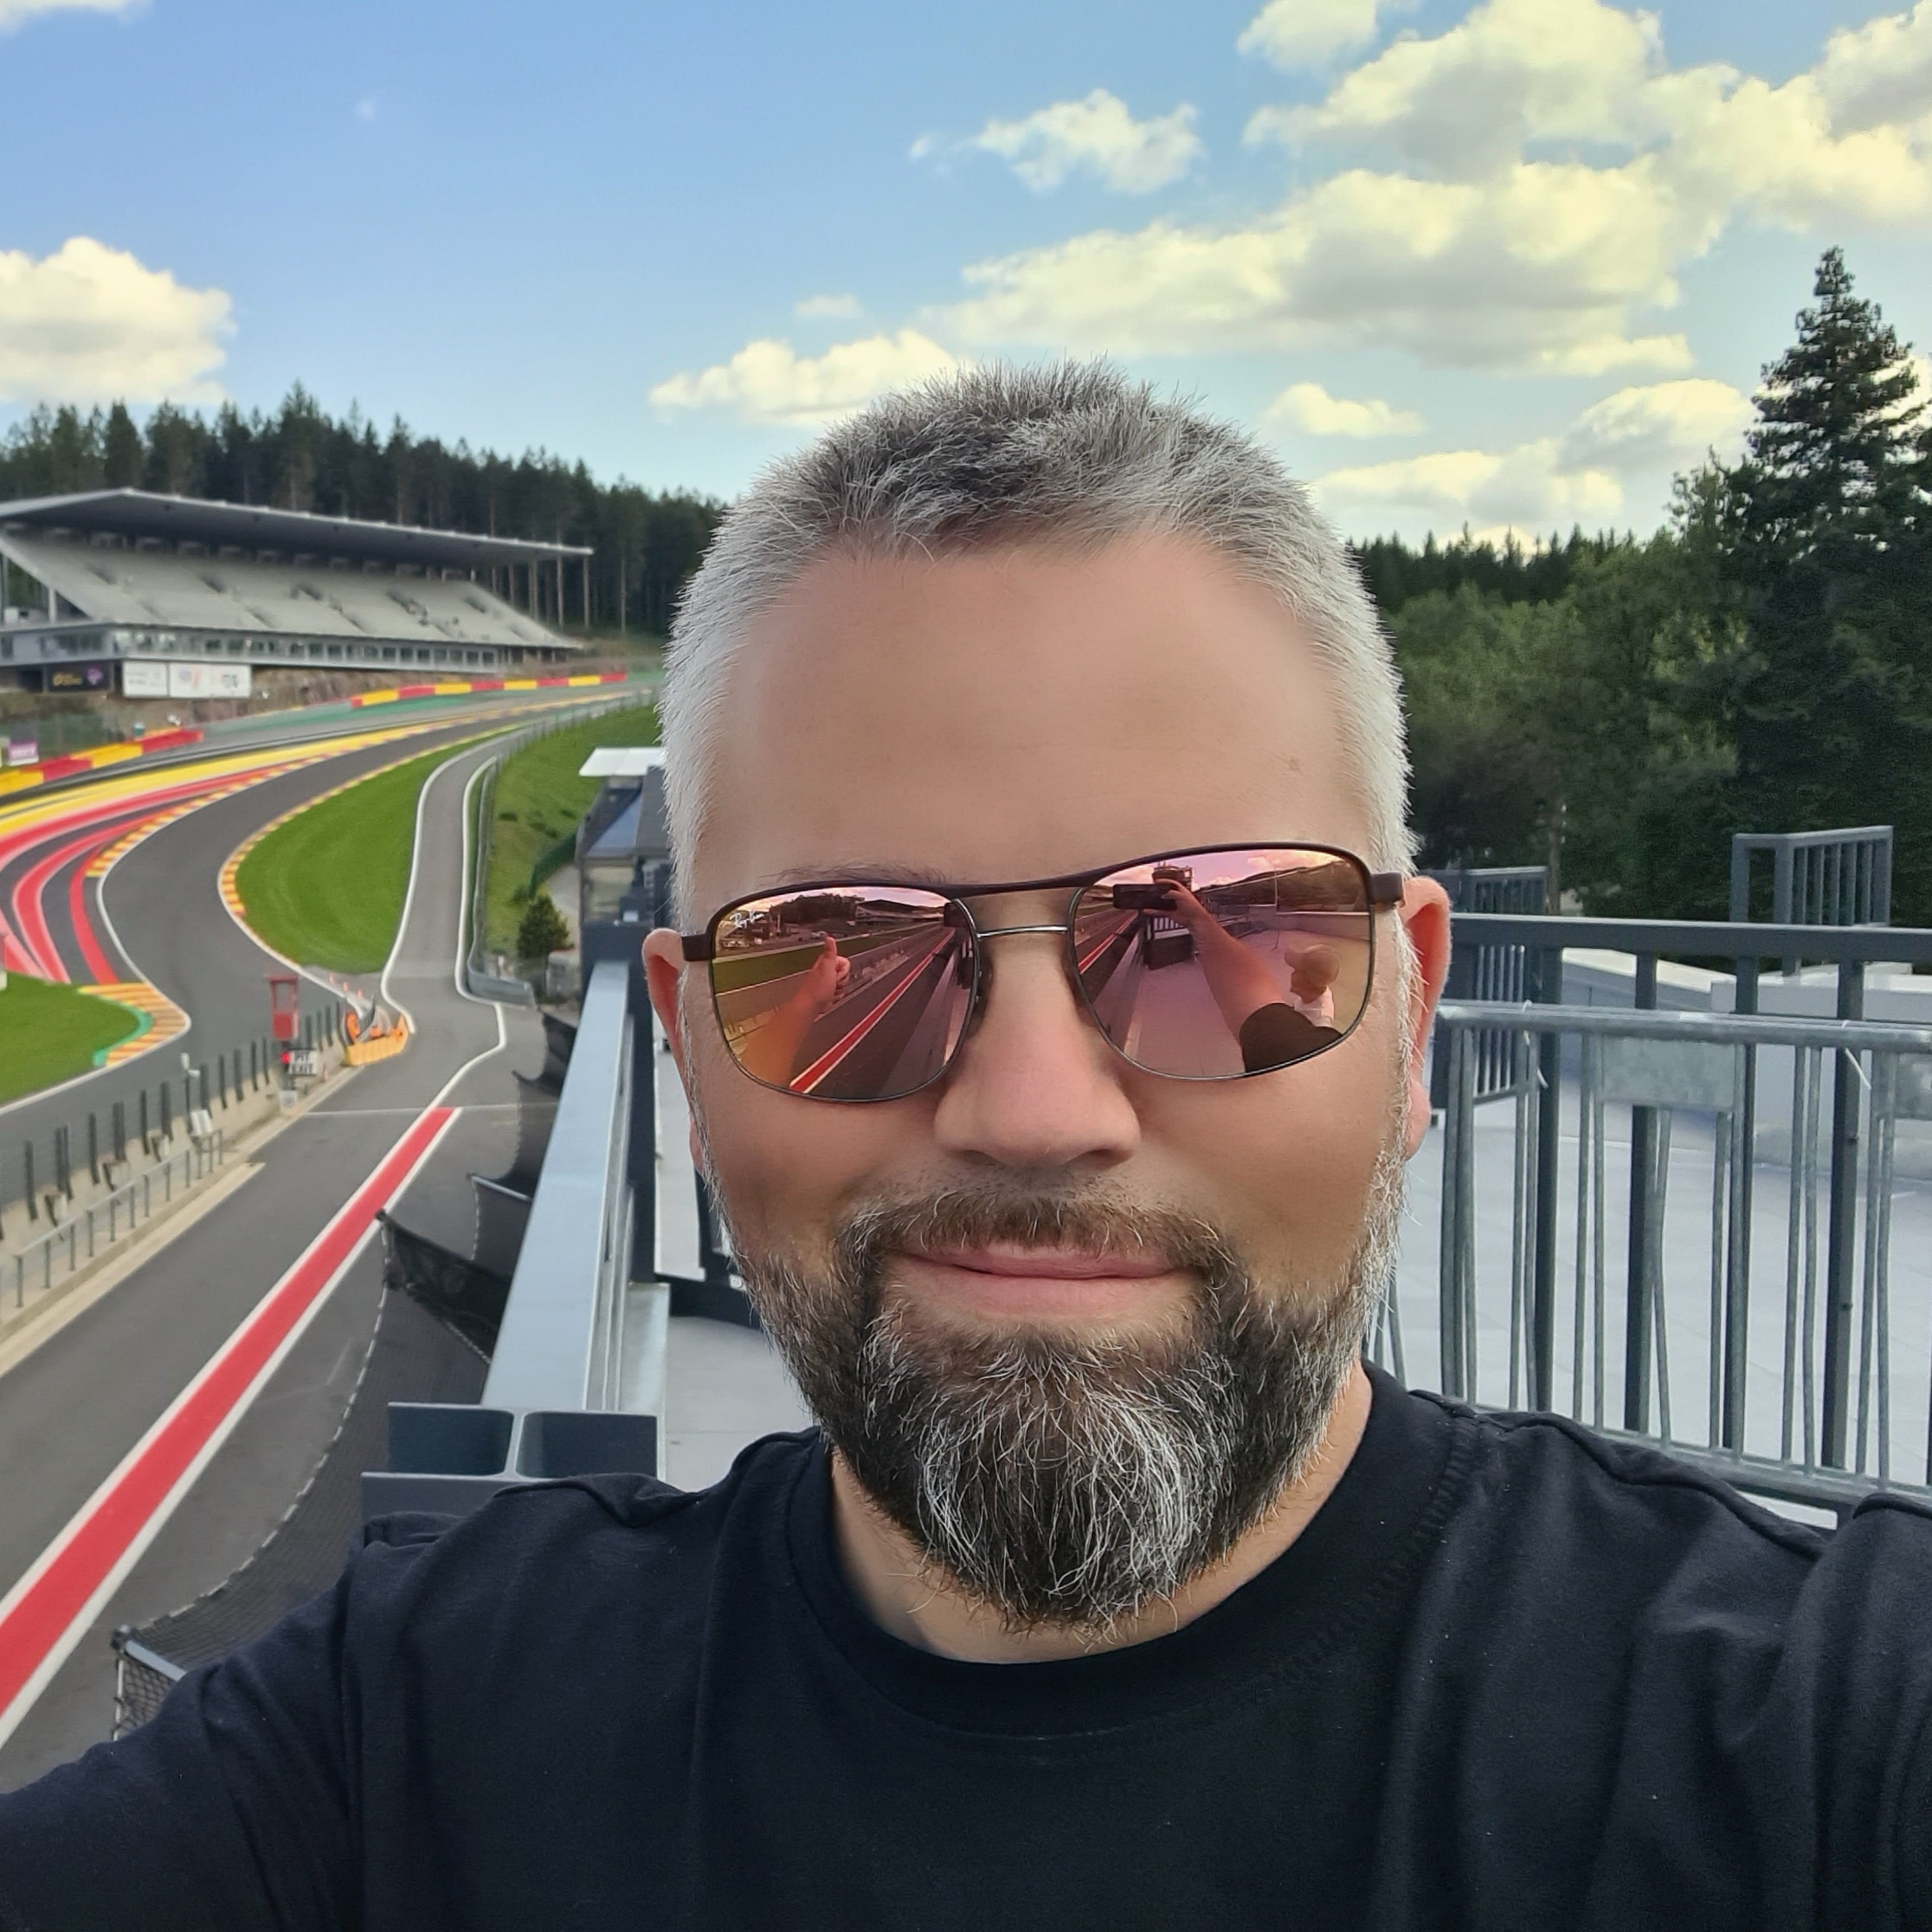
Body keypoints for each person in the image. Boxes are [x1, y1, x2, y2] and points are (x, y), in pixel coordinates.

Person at [1, 364, 1928, 1931]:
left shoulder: (1827, 1738)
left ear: (1410, 1011)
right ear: (686, 1044)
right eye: (842, 959)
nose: (1032, 1109)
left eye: (1211, 939)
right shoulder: (408, 1731)